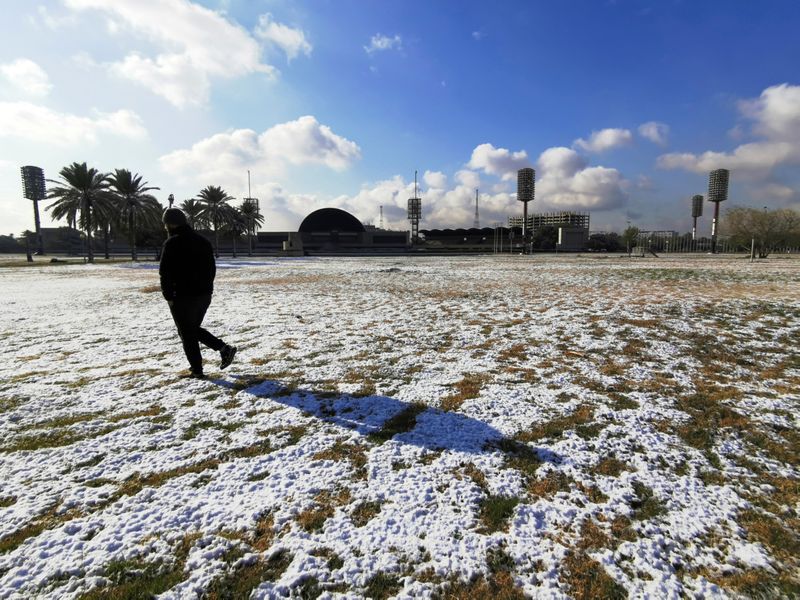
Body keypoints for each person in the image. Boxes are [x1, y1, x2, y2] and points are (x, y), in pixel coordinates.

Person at [159, 208, 236, 379]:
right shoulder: (203, 241)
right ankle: (224, 350)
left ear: (170, 224)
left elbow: (165, 273)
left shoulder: (172, 243)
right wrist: (207, 289)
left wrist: (169, 296)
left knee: (187, 333)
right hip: (203, 295)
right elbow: (211, 269)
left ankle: (198, 369)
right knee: (190, 330)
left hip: (182, 297)